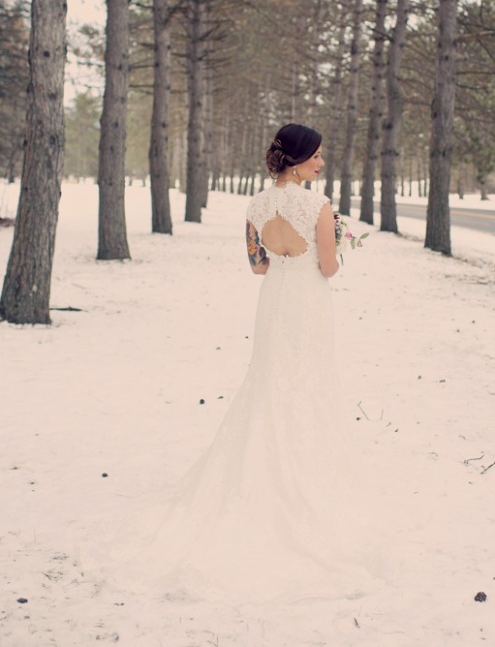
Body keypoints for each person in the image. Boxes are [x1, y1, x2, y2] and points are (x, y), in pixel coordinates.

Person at [96, 123, 379, 603]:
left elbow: (258, 266)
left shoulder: (255, 206)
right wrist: (340, 248)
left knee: (269, 382)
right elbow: (328, 267)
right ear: (298, 158)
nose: (322, 164)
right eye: (317, 156)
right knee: (308, 382)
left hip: (274, 300)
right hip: (308, 302)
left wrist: (290, 256)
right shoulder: (319, 206)